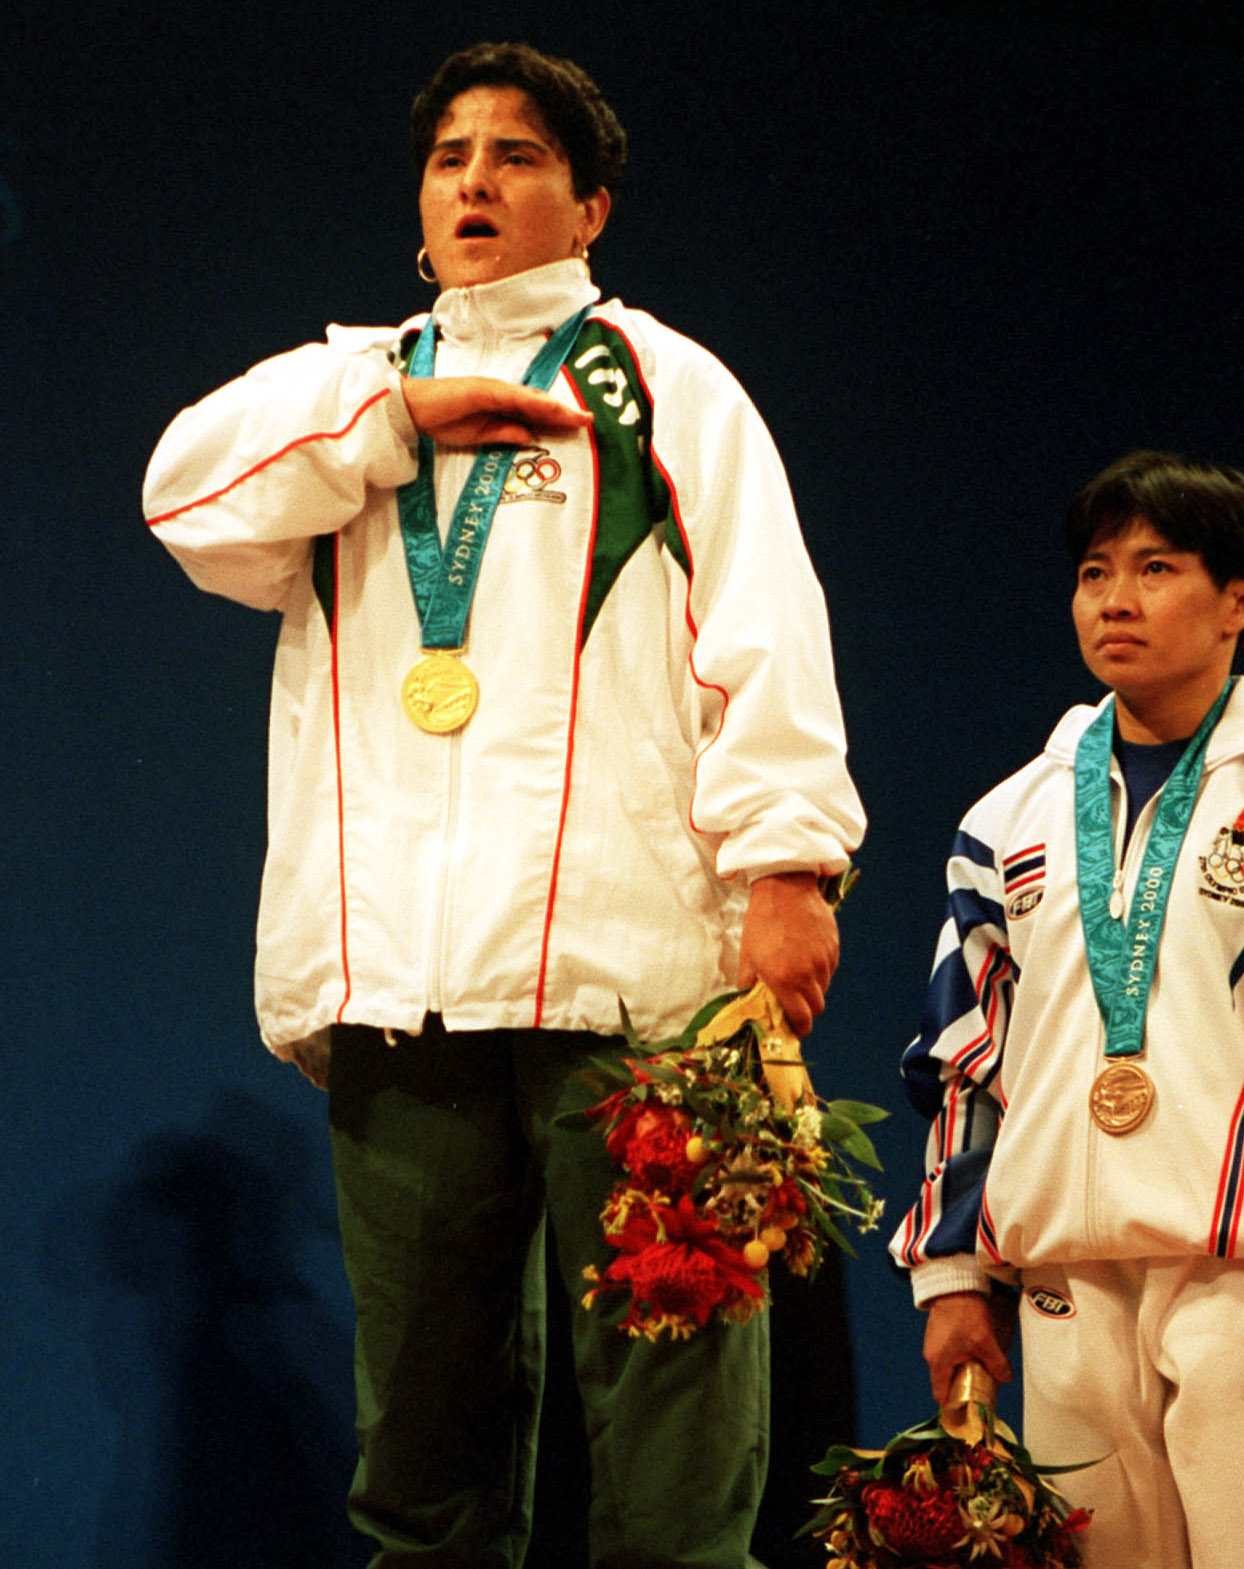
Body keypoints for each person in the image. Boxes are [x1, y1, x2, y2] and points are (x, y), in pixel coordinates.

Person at [145, 42, 864, 1568]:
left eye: (518, 154)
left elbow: (763, 631)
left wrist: (790, 868)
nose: (475, 179)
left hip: (640, 985)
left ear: (590, 205)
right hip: (403, 988)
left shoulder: (664, 385)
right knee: (424, 1450)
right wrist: (396, 415)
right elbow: (183, 499)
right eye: (450, 156)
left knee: (673, 1437)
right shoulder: (352, 390)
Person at [890, 452, 1244, 1567]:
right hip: (1065, 1284)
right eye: (1094, 572)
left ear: (1239, 600)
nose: (1113, 598)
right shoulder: (1006, 817)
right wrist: (953, 1271)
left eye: (1154, 569)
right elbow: (965, 1059)